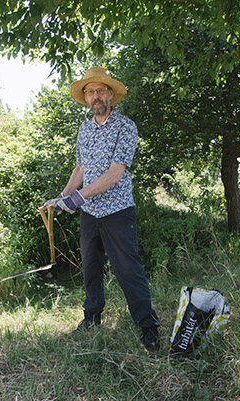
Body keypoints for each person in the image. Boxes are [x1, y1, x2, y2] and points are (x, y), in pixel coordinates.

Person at [44, 67, 160, 352]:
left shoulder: (125, 126)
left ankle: (148, 326)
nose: (96, 96)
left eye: (100, 91)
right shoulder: (84, 129)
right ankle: (92, 318)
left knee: (128, 270)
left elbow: (115, 174)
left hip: (118, 211)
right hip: (89, 213)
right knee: (91, 268)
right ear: (85, 98)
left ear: (110, 95)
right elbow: (81, 168)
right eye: (90, 91)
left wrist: (76, 198)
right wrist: (62, 197)